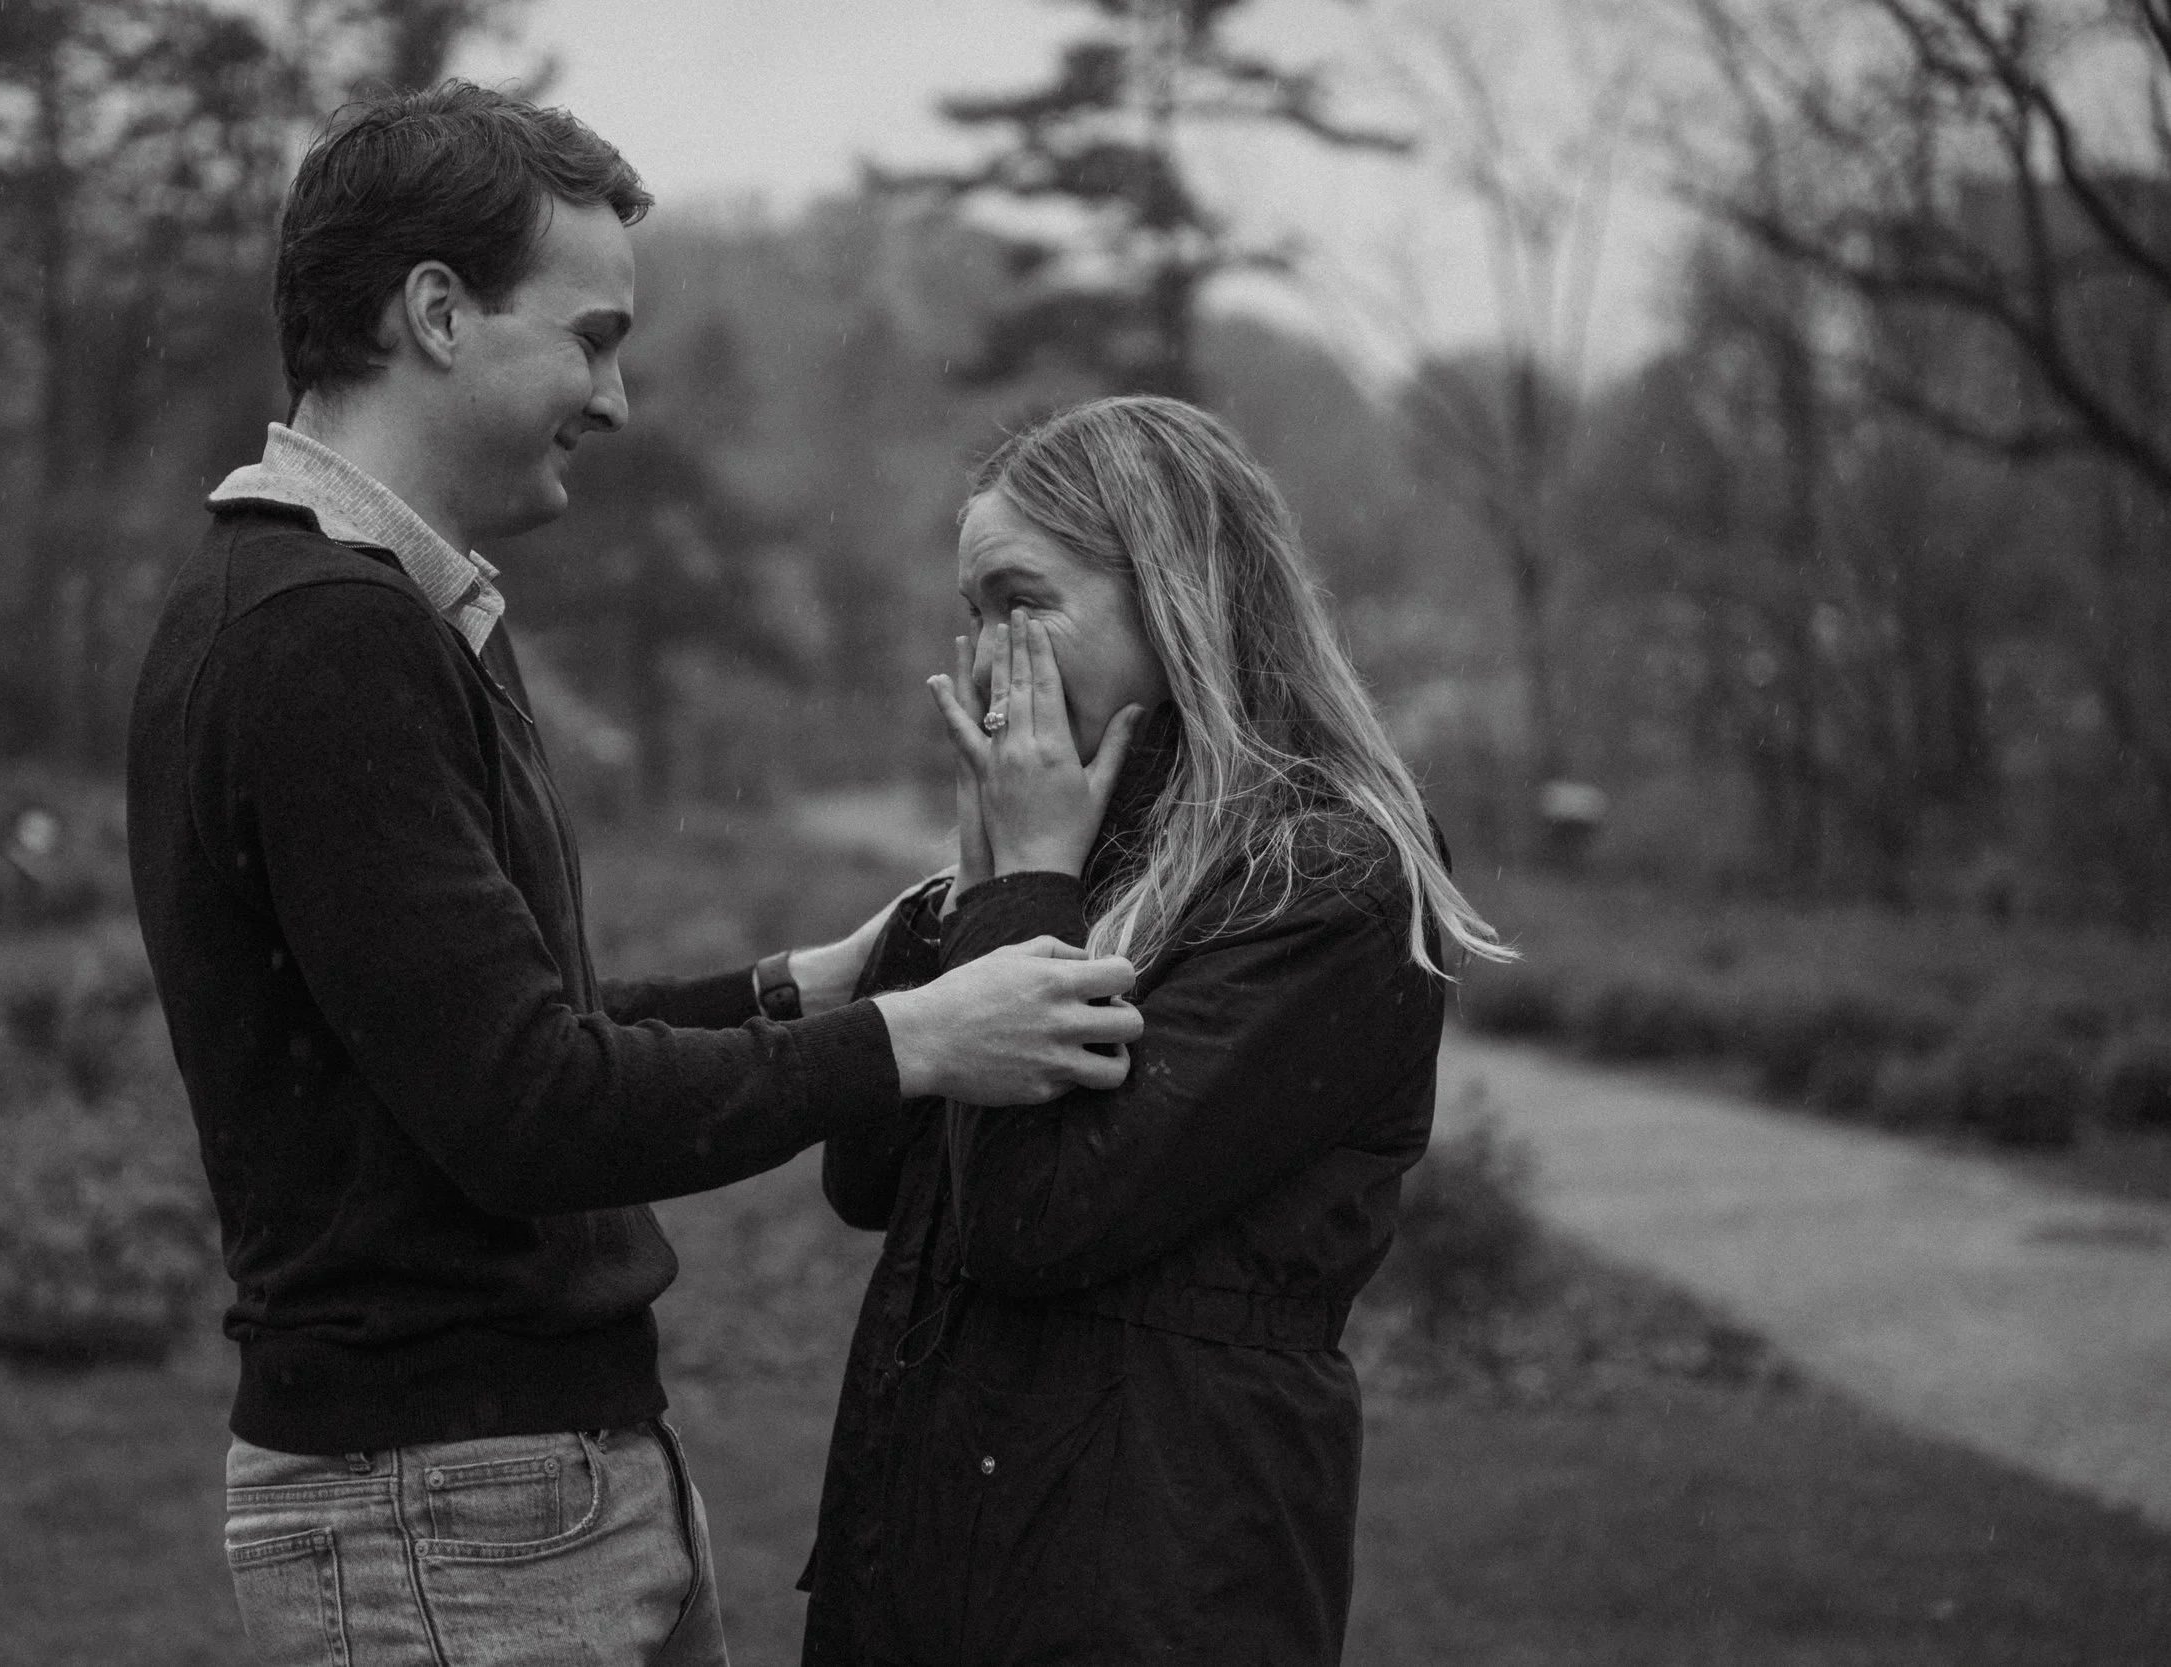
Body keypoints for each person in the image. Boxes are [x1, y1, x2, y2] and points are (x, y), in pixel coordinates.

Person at [124, 84, 1143, 1667]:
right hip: (446, 1508)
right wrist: (922, 1041)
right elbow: (525, 1109)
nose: (615, 396)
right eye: (592, 337)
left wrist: (806, 983)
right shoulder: (323, 637)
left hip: (512, 1484)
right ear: (439, 315)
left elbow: (474, 1038)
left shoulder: (369, 612)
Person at [799, 396, 1510, 1666]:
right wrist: (979, 893)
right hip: (939, 1559)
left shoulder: (1325, 877)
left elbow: (1031, 1221)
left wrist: (1020, 886)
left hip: (1154, 1581)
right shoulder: (1070, 850)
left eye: (1022, 602)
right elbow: (867, 1180)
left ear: (1177, 595)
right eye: (972, 616)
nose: (986, 663)